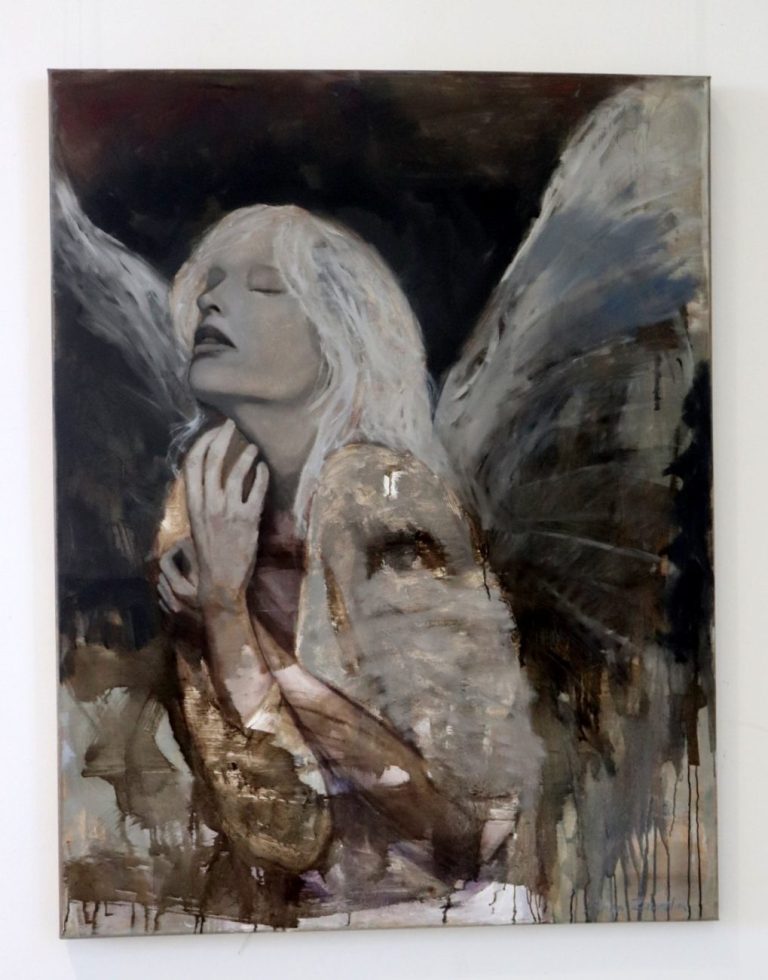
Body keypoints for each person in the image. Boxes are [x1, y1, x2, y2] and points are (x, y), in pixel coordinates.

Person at [151, 204, 543, 924]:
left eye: (264, 286)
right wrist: (221, 605)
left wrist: (227, 614)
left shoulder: (386, 500)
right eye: (212, 282)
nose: (213, 299)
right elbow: (281, 828)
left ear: (340, 338)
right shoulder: (201, 513)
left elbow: (460, 828)